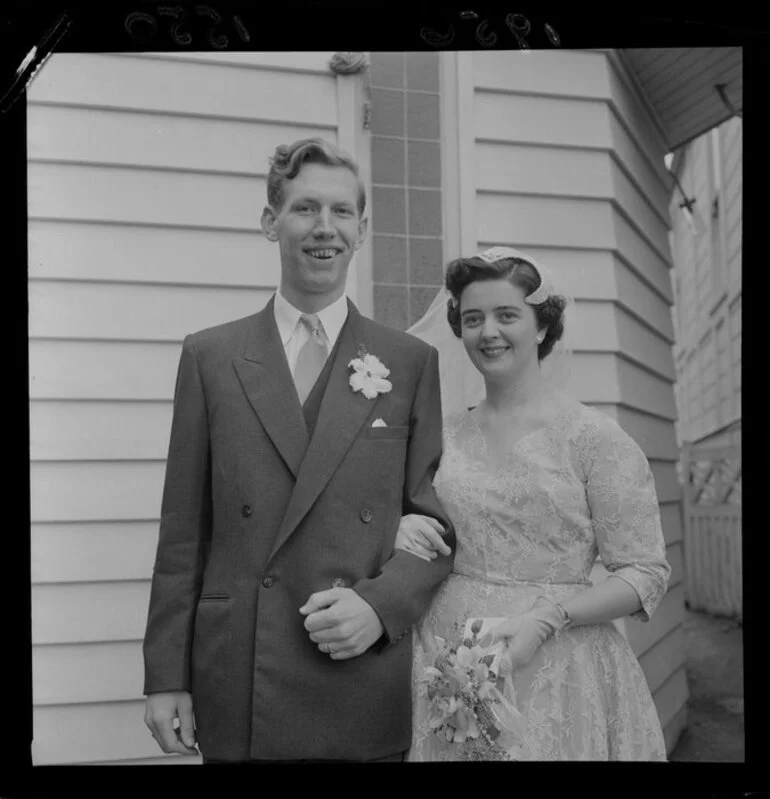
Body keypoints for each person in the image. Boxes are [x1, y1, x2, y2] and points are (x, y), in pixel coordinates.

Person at [142, 137, 455, 763]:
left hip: (358, 664)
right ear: (270, 222)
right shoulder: (211, 356)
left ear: (362, 230)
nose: (324, 228)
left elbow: (435, 529)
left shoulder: (410, 361)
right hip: (241, 671)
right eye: (305, 209)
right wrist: (166, 676)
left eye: (342, 213)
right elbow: (183, 534)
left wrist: (380, 605)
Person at [397, 247, 671, 760]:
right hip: (447, 660)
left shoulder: (594, 441)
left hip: (557, 667)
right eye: (473, 318)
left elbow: (645, 572)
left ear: (542, 328)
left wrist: (548, 619)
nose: (488, 332)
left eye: (507, 316)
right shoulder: (443, 437)